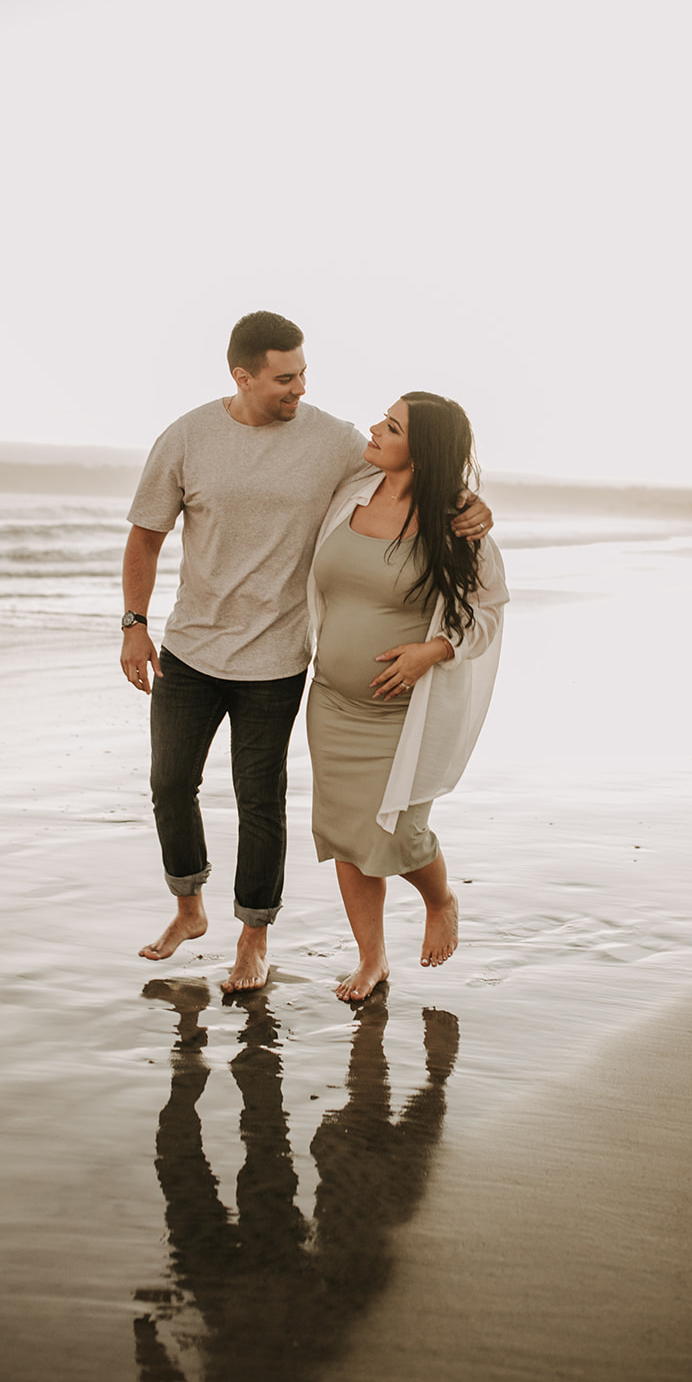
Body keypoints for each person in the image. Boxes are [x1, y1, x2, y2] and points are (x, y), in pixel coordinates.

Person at [120, 313, 493, 993]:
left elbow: (419, 466)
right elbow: (146, 534)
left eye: (303, 374)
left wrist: (470, 504)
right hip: (199, 652)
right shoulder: (187, 436)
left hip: (280, 663)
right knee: (170, 785)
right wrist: (132, 624)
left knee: (264, 802)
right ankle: (191, 909)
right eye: (284, 378)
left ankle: (254, 942)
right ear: (244, 376)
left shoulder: (334, 443)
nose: (299, 388)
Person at [306, 391, 508, 1000]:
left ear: (421, 455)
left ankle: (440, 899)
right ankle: (371, 959)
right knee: (347, 834)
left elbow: (488, 611)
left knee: (399, 832)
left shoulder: (456, 526)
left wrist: (435, 650)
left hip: (403, 713)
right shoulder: (352, 490)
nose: (374, 428)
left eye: (391, 427)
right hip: (332, 702)